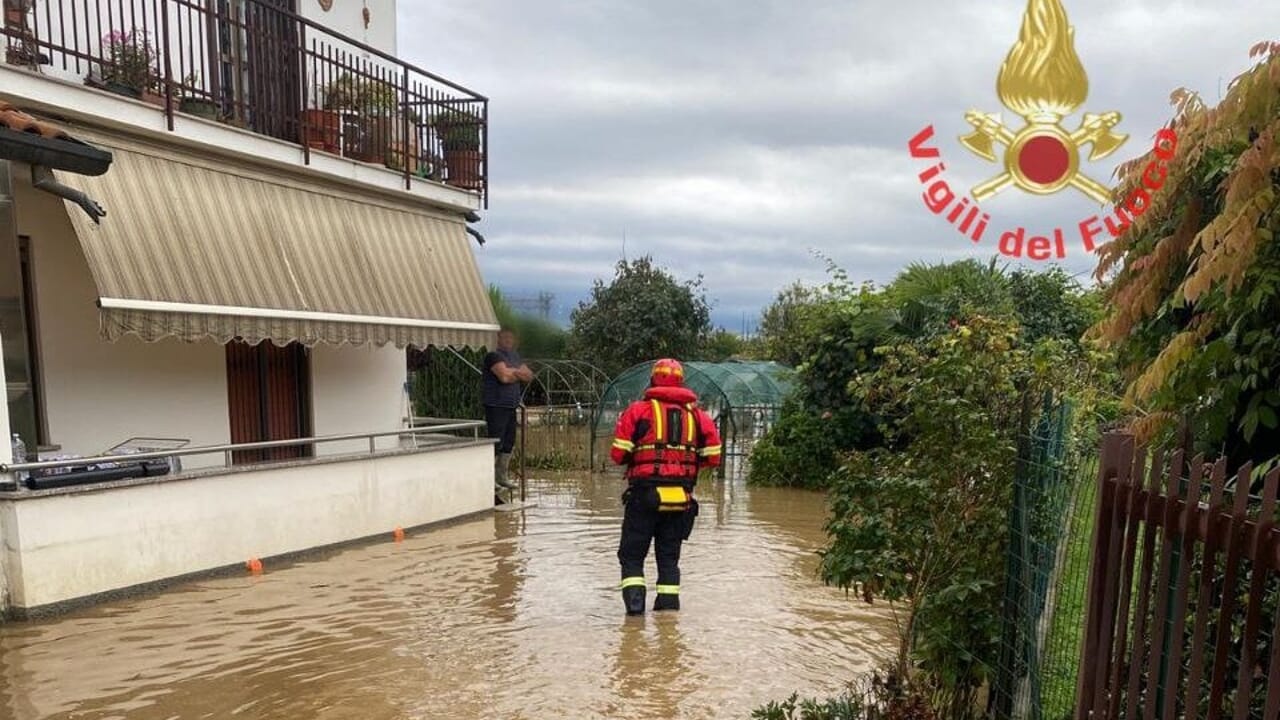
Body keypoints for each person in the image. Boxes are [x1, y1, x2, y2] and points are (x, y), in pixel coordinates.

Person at [610, 358, 722, 615]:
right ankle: (668, 617)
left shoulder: (638, 411)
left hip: (644, 495)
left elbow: (618, 454)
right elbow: (713, 456)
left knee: (632, 556)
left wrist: (644, 461)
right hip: (681, 497)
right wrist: (684, 466)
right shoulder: (699, 416)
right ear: (682, 382)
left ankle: (635, 616)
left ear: (652, 380)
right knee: (669, 558)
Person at [483, 328, 533, 492]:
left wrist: (513, 372)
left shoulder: (515, 356)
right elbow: (503, 377)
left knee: (508, 442)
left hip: (512, 405)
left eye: (511, 338)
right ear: (498, 339)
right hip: (496, 405)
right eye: (505, 337)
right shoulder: (493, 356)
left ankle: (502, 477)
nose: (508, 340)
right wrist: (516, 372)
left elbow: (529, 376)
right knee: (496, 442)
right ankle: (489, 479)